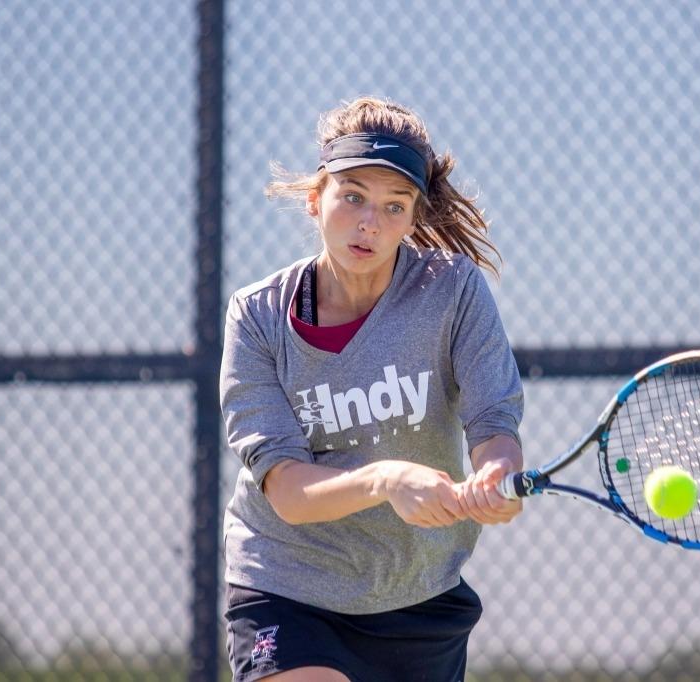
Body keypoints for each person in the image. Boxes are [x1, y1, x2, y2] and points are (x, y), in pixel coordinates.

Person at [220, 96, 524, 682]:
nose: (369, 222)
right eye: (353, 196)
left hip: (418, 595)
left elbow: (493, 427)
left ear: (413, 218)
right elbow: (288, 492)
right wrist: (389, 479)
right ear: (316, 200)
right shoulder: (256, 318)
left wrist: (495, 475)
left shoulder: (454, 291)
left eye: (394, 206)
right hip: (288, 586)